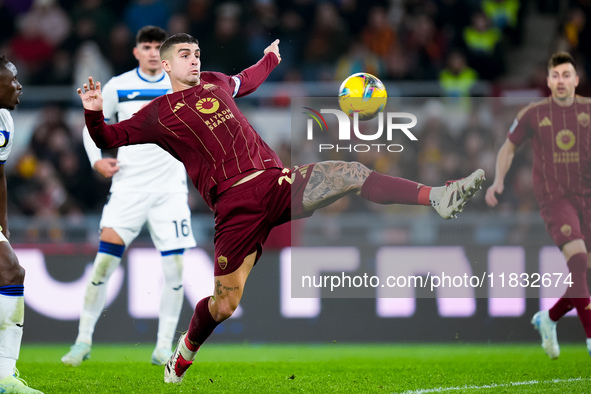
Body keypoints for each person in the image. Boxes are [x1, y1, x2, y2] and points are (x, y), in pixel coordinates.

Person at [77, 33, 485, 384]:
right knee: (224, 305)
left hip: (276, 182)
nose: (195, 60)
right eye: (185, 55)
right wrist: (94, 111)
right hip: (234, 205)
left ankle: (437, 197)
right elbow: (107, 135)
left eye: (198, 53)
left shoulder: (217, 82)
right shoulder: (156, 116)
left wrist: (270, 58)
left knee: (349, 171)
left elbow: (247, 80)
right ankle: (183, 353)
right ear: (166, 64)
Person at [61, 26, 197, 367]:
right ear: (136, 52)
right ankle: (82, 342)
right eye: (146, 46)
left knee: (176, 267)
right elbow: (90, 125)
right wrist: (97, 160)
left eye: (157, 47)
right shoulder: (118, 86)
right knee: (104, 262)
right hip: (129, 186)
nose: (152, 52)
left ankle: (164, 346)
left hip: (169, 190)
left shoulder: (178, 84)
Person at [486, 51, 591, 359]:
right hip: (554, 198)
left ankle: (549, 318)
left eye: (566, 75)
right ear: (548, 81)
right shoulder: (533, 113)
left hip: (586, 197)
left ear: (576, 79)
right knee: (578, 262)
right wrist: (498, 181)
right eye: (555, 76)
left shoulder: (588, 111)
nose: (561, 81)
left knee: (583, 272)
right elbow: (508, 148)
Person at [0, 56, 43, 393]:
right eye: (11, 81)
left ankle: (4, 377)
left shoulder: (5, 121)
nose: (19, 86)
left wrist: (3, 228)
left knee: (12, 273)